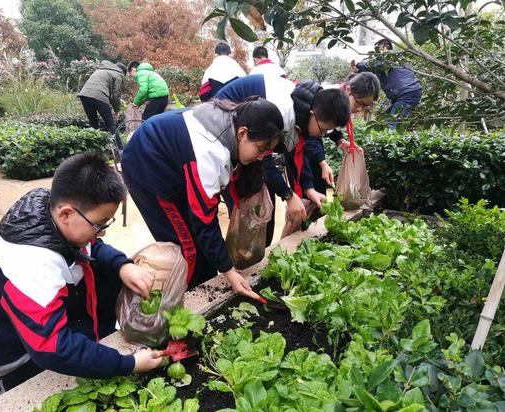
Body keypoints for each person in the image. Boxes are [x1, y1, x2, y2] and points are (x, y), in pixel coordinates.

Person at [0, 153, 162, 409]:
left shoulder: (50, 209)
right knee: (70, 349)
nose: (103, 231)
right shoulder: (32, 265)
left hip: (6, 321)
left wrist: (123, 266)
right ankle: (0, 389)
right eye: (99, 224)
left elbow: (91, 247)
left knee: (106, 276)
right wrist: (127, 364)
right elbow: (53, 348)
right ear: (65, 214)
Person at [121, 97, 284, 298]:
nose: (262, 156)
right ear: (242, 133)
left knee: (201, 247)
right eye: (260, 149)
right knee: (188, 250)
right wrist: (229, 272)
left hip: (174, 162)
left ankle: (204, 283)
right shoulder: (210, 153)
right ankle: (188, 304)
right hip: (148, 166)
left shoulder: (232, 123)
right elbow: (204, 221)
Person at [214, 74, 350, 245]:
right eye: (323, 130)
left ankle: (252, 256)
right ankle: (238, 262)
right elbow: (262, 156)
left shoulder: (302, 108)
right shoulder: (282, 113)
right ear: (312, 114)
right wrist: (288, 194)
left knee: (264, 210)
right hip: (227, 135)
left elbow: (296, 149)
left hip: (250, 133)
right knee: (248, 213)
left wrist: (308, 188)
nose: (321, 135)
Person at [306, 71, 381, 194]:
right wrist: (323, 163)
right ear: (348, 89)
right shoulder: (328, 98)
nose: (359, 109)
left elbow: (328, 128)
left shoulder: (342, 102)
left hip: (312, 147)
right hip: (301, 149)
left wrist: (339, 140)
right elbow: (311, 135)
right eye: (359, 103)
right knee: (308, 191)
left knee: (318, 192)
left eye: (365, 106)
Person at [351, 39, 422, 129]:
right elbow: (373, 71)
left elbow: (373, 66)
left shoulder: (389, 58)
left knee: (392, 124)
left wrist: (358, 65)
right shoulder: (394, 59)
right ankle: (382, 139)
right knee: (383, 121)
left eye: (378, 49)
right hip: (405, 94)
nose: (376, 53)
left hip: (407, 93)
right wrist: (359, 70)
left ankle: (390, 140)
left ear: (385, 48)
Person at [79, 61, 127, 148]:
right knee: (110, 124)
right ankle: (121, 149)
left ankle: (94, 148)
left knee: (93, 124)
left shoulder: (101, 70)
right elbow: (116, 95)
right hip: (98, 96)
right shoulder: (118, 74)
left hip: (84, 95)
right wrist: (117, 111)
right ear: (122, 71)